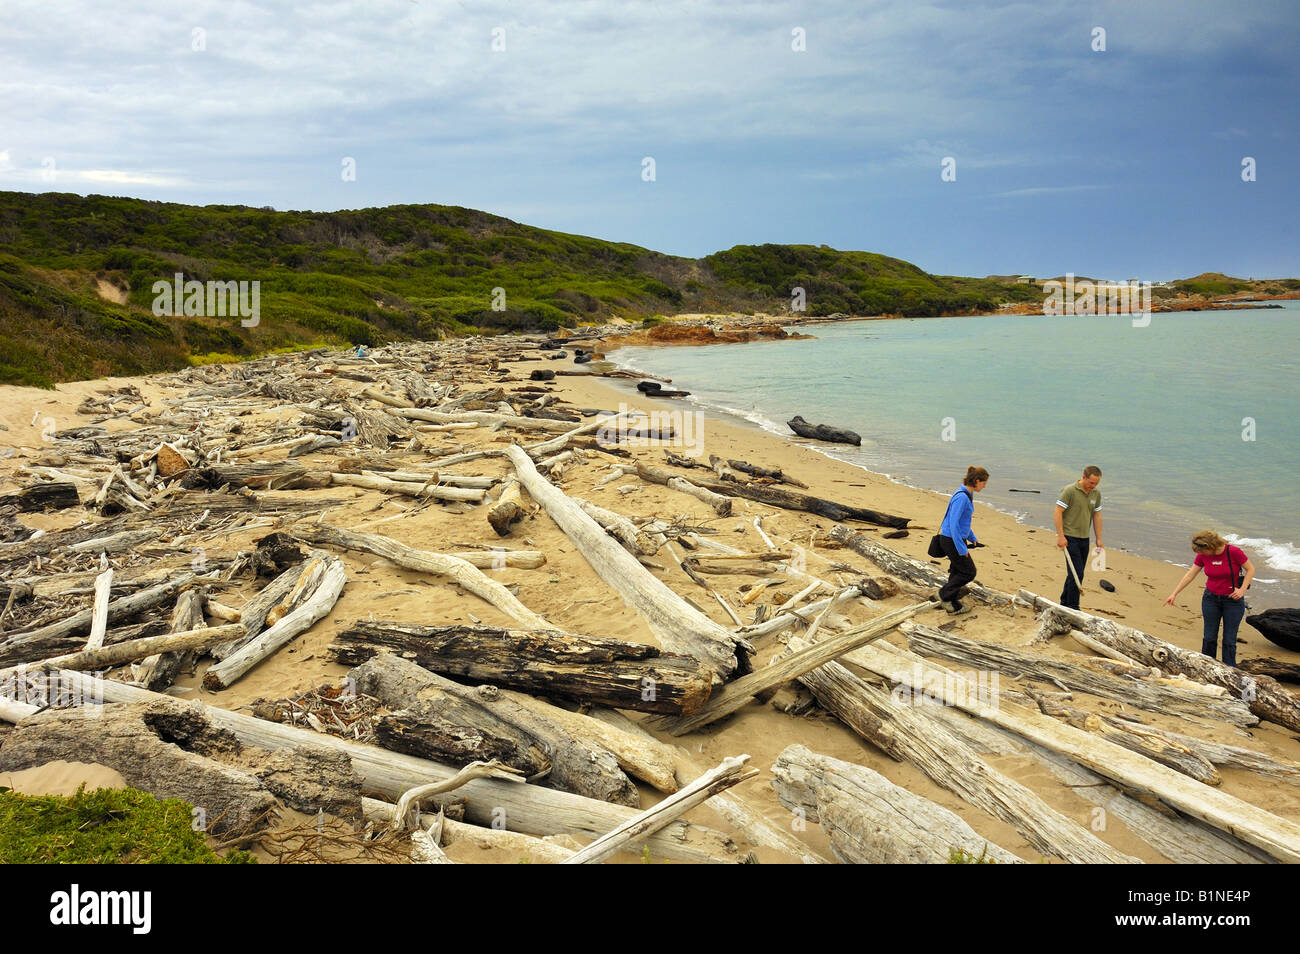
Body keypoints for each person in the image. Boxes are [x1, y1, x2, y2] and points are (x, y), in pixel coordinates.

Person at [1163, 530, 1254, 667]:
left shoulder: (1233, 552)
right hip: (1210, 599)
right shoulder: (1202, 555)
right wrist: (1174, 593)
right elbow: (1190, 575)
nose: (1200, 554)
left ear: (1210, 546)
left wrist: (1241, 590)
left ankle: (1230, 670)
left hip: (1233, 601)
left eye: (1202, 551)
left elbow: (1250, 569)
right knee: (1209, 637)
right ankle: (1207, 667)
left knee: (1229, 640)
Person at [936, 466, 989, 615]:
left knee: (957, 570)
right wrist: (962, 549)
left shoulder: (966, 494)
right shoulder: (962, 497)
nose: (985, 486)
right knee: (969, 572)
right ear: (977, 481)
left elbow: (962, 523)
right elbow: (953, 524)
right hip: (951, 540)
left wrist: (973, 538)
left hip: (955, 538)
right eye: (984, 483)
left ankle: (951, 603)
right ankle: (943, 595)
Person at [1054, 465, 1103, 609]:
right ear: (1084, 477)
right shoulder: (1069, 491)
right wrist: (1061, 536)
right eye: (1091, 483)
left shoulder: (1096, 493)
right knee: (1077, 573)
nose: (1093, 486)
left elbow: (1097, 515)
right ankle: (1073, 606)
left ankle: (1064, 602)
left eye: (1096, 483)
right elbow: (1058, 512)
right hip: (1070, 537)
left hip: (1084, 538)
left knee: (1074, 573)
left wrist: (1099, 538)